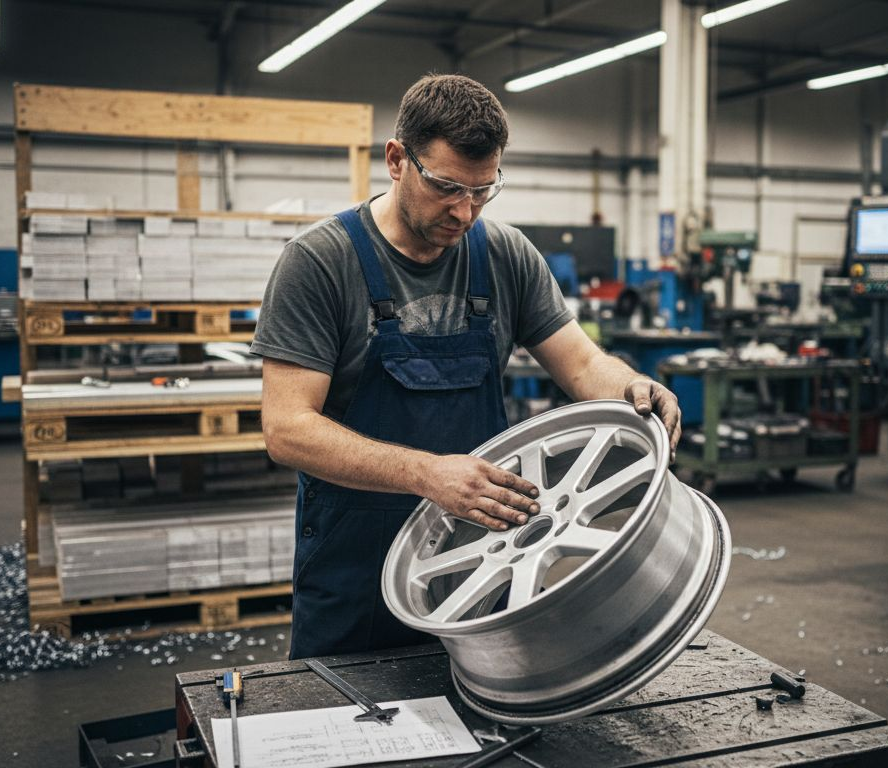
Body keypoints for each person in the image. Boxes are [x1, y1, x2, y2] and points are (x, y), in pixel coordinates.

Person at [254, 73, 681, 660]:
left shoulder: (504, 254)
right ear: (397, 160)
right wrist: (428, 475)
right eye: (448, 187)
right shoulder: (318, 263)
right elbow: (286, 430)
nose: (465, 211)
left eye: (484, 191)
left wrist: (631, 384)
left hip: (480, 562)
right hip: (354, 571)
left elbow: (581, 363)